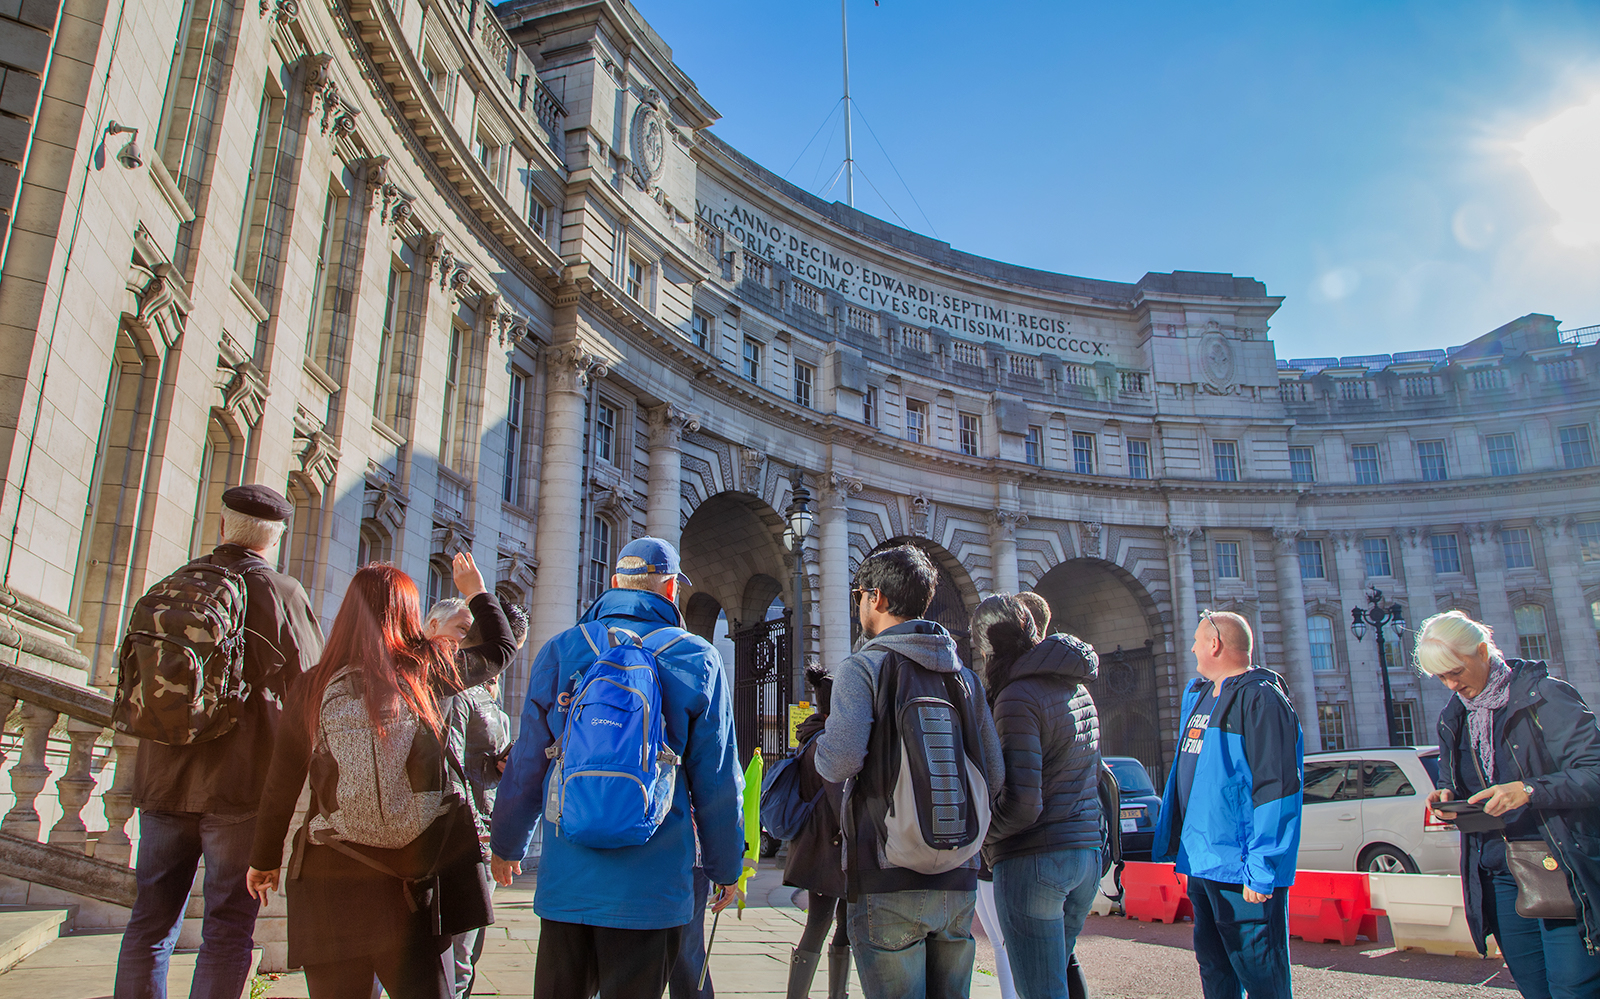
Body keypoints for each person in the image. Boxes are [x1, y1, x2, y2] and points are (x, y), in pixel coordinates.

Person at [245, 552, 515, 999]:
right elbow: (501, 649)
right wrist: (476, 592)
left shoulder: (312, 685)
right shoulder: (428, 670)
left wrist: (264, 858)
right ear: (409, 614)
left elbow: (282, 780)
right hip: (413, 877)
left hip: (331, 873)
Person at [489, 537, 746, 999]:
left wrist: (507, 843)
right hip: (653, 884)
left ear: (613, 585)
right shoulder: (696, 658)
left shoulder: (563, 649)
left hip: (568, 876)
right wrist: (726, 867)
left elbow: (528, 759)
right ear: (671, 590)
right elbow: (718, 779)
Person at [114, 484, 324, 999]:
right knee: (228, 926)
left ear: (223, 527)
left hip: (161, 776)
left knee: (149, 922)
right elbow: (315, 689)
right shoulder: (280, 592)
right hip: (238, 784)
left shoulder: (174, 583)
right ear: (274, 540)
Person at [814, 544, 1005, 999]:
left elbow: (838, 761)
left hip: (886, 873)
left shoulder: (863, 667)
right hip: (958, 876)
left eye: (859, 593)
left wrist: (818, 743)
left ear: (876, 598)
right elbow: (993, 776)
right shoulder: (964, 677)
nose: (859, 602)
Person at [1419, 610, 1600, 999]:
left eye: (1455, 672)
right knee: (1534, 990)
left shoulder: (1547, 696)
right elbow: (1461, 780)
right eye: (1441, 678)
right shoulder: (1455, 716)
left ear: (1482, 651)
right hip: (1497, 874)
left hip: (1559, 867)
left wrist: (1529, 790)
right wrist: (1447, 795)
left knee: (1573, 990)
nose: (1452, 685)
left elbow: (1595, 771)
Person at [1151, 610, 1302, 999]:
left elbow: (1277, 787)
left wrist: (1262, 865)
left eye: (1198, 640)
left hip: (1242, 868)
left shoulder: (1261, 700)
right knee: (1215, 970)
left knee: (1261, 976)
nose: (1192, 647)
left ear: (1215, 644)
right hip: (1204, 863)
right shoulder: (1201, 696)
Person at [973, 594, 1103, 999]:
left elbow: (1022, 803)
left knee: (1040, 990)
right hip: (1084, 855)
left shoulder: (1016, 696)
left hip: (1034, 861)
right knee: (1058, 977)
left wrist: (977, 838)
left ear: (988, 646)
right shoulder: (1077, 687)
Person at [446, 597, 527, 999]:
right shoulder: (461, 693)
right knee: (458, 950)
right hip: (467, 832)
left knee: (469, 947)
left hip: (483, 824)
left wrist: (501, 761)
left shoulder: (484, 693)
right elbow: (450, 765)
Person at [781, 663, 851, 999]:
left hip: (818, 848)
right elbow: (841, 803)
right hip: (832, 849)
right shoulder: (828, 743)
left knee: (836, 925)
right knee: (827, 926)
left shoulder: (808, 739)